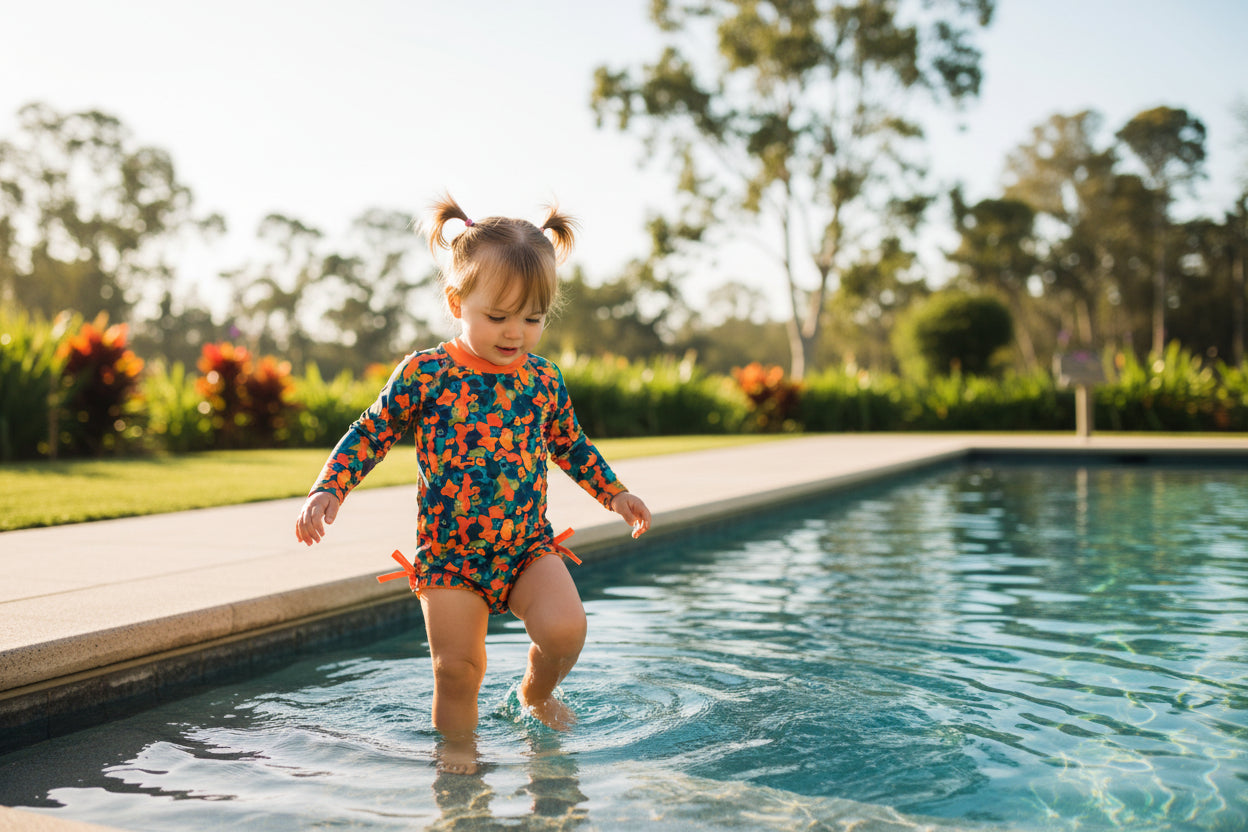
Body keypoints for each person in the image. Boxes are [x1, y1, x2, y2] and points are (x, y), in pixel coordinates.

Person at [294, 193, 652, 773]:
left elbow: (570, 445)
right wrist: (328, 488)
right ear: (456, 301)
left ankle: (534, 694)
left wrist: (614, 492)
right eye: (499, 317)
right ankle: (459, 757)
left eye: (532, 319)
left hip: (526, 546)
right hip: (451, 556)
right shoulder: (426, 374)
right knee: (457, 670)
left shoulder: (542, 381)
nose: (516, 333)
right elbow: (372, 431)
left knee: (566, 630)